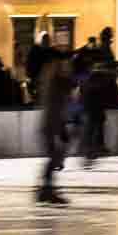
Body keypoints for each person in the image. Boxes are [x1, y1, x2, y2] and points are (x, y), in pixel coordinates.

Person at [38, 57, 74, 204]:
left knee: (54, 158)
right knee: (54, 158)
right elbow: (68, 85)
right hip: (51, 125)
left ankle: (47, 190)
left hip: (52, 125)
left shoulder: (53, 84)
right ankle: (46, 191)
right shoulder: (56, 84)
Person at [25, 32, 55, 99]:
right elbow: (30, 64)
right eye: (45, 40)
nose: (47, 42)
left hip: (45, 78)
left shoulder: (50, 51)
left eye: (48, 40)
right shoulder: (36, 50)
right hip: (38, 77)